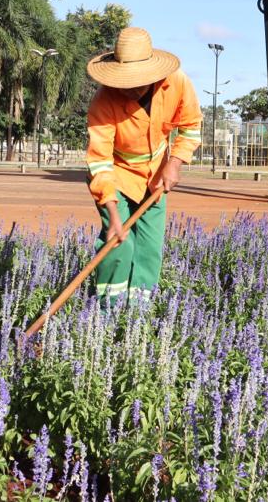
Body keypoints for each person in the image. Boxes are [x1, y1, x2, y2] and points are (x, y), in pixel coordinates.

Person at [85, 26, 202, 308]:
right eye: (124, 82)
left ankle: (139, 311)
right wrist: (113, 214)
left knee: (150, 246)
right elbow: (100, 161)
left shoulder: (177, 83)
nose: (130, 88)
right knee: (118, 245)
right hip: (117, 177)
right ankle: (108, 309)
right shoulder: (103, 102)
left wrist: (174, 163)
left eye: (136, 81)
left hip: (156, 177)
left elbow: (191, 127)